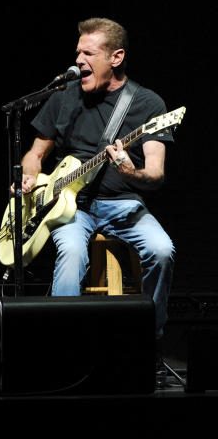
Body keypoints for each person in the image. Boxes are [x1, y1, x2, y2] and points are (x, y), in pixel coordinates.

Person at [20, 17, 175, 338]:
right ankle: (63, 342)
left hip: (123, 204)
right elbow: (35, 154)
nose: (79, 61)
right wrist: (30, 175)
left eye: (89, 54)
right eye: (78, 52)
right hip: (71, 207)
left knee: (161, 251)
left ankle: (148, 338)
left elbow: (156, 173)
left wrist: (130, 171)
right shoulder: (64, 97)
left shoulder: (148, 104)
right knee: (73, 252)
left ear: (116, 58)